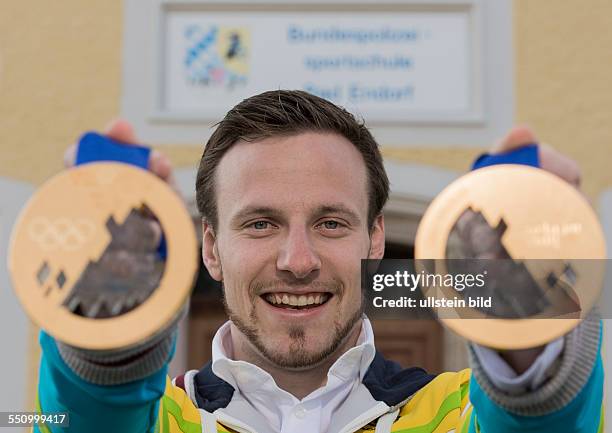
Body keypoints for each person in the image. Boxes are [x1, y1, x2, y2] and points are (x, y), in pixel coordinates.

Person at [36, 90, 603, 433]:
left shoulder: (453, 415)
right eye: (260, 223)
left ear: (376, 238)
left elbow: (536, 424)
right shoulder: (160, 419)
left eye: (331, 223)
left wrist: (528, 336)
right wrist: (104, 338)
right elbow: (89, 418)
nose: (298, 261)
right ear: (209, 246)